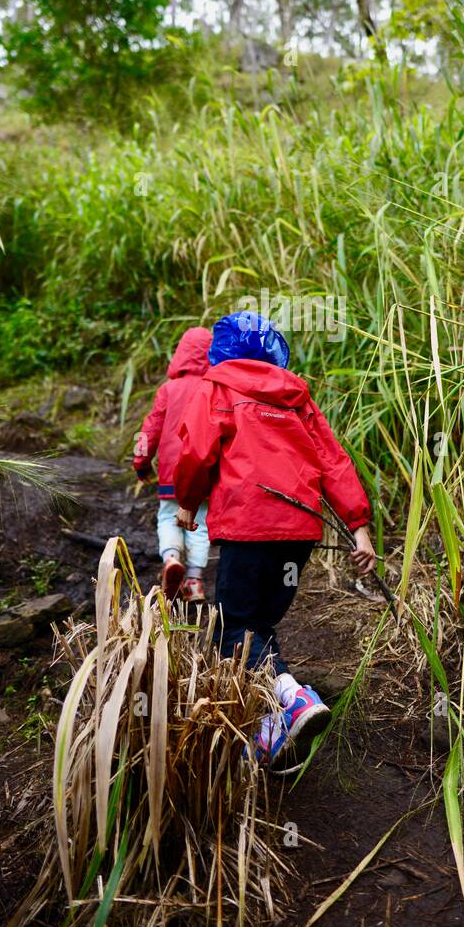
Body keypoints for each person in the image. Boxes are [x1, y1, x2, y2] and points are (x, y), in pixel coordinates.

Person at [174, 310, 377, 765]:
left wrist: (187, 500)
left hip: (250, 525)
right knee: (257, 626)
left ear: (223, 349)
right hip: (299, 530)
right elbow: (334, 462)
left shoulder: (217, 387)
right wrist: (359, 527)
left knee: (230, 625)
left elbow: (195, 451)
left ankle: (293, 697)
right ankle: (269, 729)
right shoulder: (296, 397)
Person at [132, 325, 213, 601]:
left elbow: (149, 429)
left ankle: (170, 558)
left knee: (168, 517)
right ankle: (194, 581)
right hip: (203, 472)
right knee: (199, 523)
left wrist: (141, 462)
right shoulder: (214, 388)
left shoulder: (168, 389)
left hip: (170, 472)